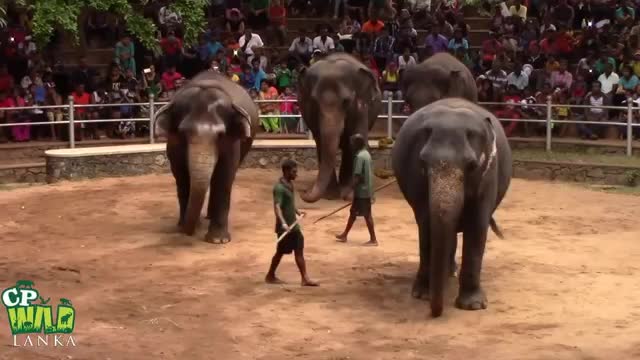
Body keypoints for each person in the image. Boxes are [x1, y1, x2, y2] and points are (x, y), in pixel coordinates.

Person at [266, 160, 319, 286]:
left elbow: (290, 203)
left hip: (293, 226)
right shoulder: (279, 188)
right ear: (286, 171)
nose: (296, 174)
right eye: (294, 172)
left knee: (298, 249)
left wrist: (298, 212)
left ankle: (304, 278)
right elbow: (277, 207)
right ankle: (270, 275)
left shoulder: (289, 184)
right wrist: (283, 224)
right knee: (280, 252)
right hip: (285, 227)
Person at [335, 134, 378, 246]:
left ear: (357, 144)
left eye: (353, 143)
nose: (351, 145)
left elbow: (357, 177)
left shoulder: (359, 157)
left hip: (362, 192)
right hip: (366, 190)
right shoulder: (366, 154)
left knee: (367, 215)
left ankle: (373, 239)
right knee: (353, 213)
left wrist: (348, 190)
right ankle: (345, 234)